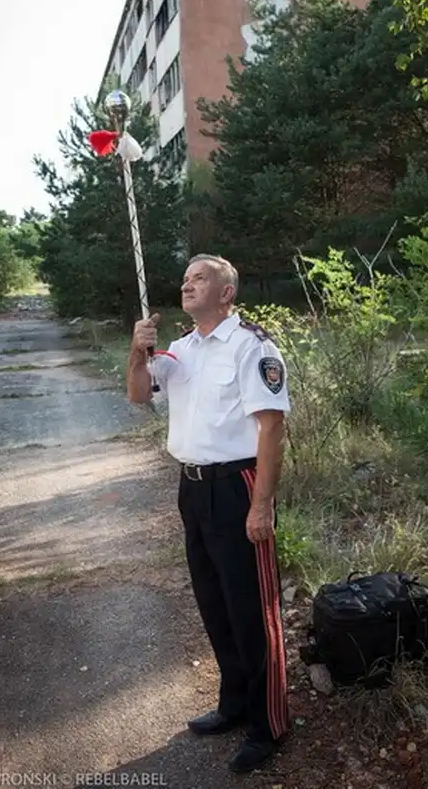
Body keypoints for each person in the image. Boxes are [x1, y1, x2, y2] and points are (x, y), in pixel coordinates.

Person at [126, 253, 291, 774]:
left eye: (200, 278)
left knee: (251, 610)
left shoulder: (251, 346)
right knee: (214, 602)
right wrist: (136, 353)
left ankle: (270, 724)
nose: (187, 285)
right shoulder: (179, 349)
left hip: (238, 486)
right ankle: (234, 703)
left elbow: (271, 428)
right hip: (193, 489)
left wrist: (261, 505)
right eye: (184, 279)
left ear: (227, 292)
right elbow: (138, 397)